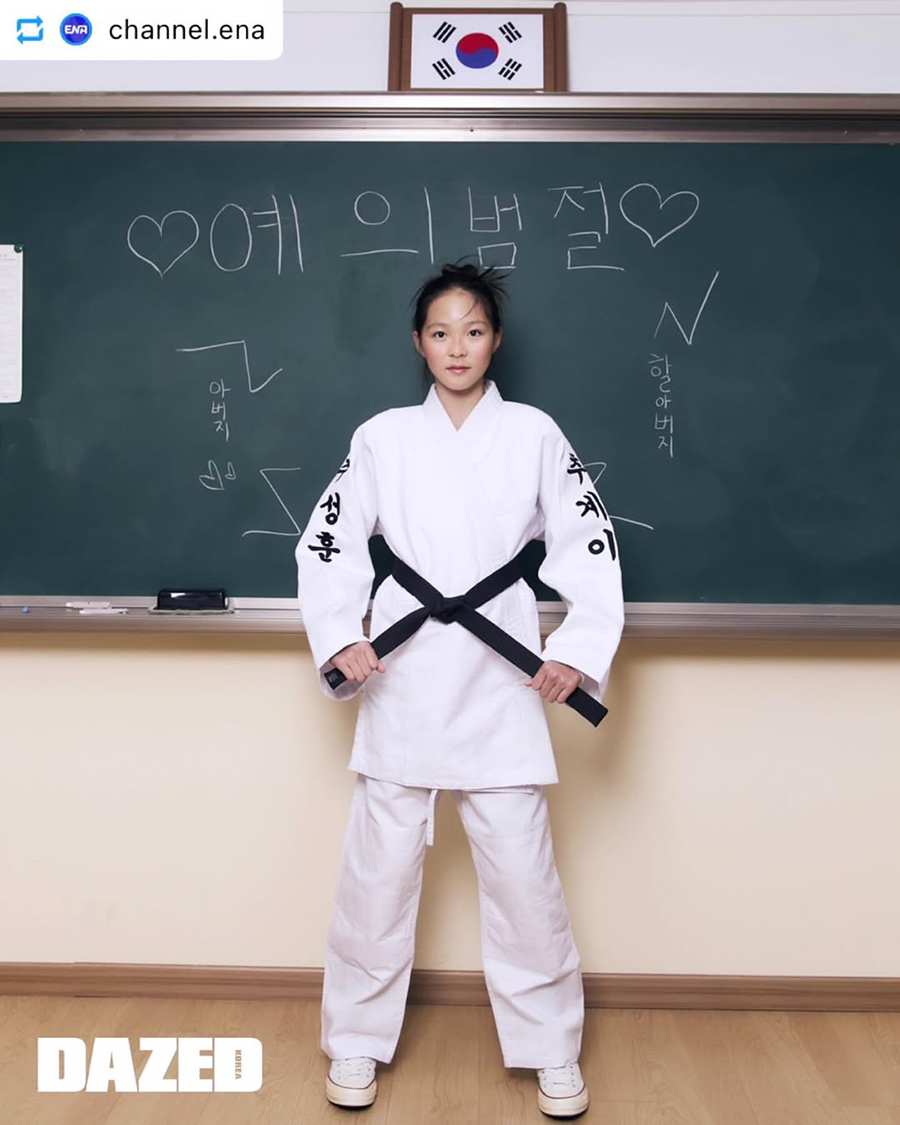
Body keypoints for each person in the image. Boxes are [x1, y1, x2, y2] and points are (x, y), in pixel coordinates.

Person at [295, 260, 624, 1118]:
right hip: (402, 669)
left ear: (496, 340)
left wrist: (576, 648)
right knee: (379, 870)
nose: (457, 346)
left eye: (473, 330)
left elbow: (590, 545)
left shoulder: (535, 434)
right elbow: (326, 544)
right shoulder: (382, 438)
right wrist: (342, 635)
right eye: (441, 332)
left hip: (500, 668)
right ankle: (355, 1038)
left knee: (523, 873)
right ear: (419, 342)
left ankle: (552, 1046)